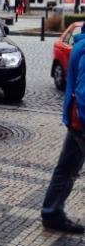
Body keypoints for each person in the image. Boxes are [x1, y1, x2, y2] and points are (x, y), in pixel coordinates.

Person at [41, 25, 85, 233]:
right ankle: (51, 212)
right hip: (82, 122)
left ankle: (51, 213)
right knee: (66, 169)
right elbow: (84, 93)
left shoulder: (81, 43)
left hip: (76, 120)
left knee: (66, 169)